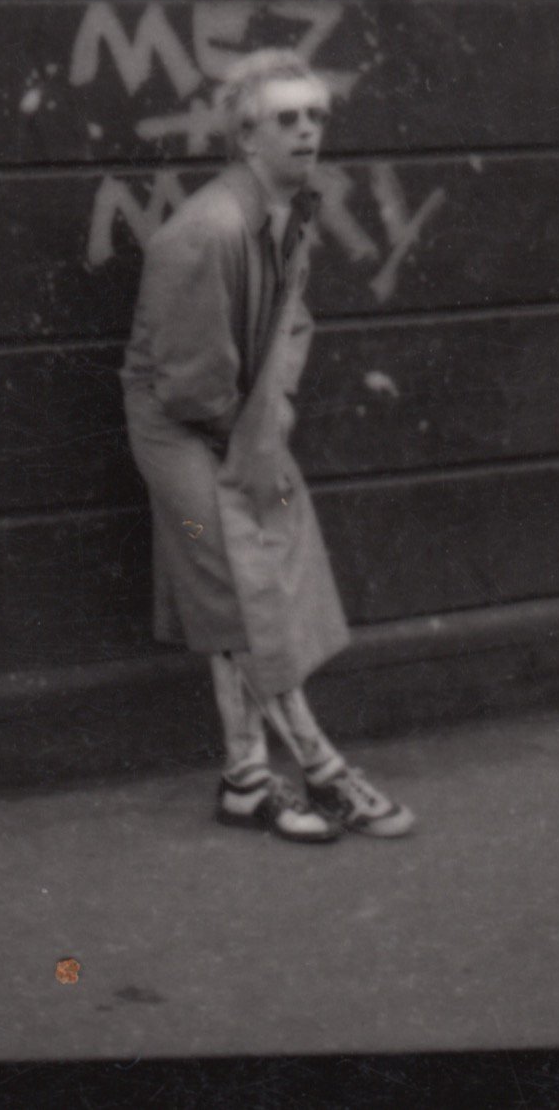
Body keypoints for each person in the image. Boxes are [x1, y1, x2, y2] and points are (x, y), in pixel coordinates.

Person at [122, 48, 414, 842]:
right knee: (234, 586)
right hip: (181, 437)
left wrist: (272, 415)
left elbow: (288, 329)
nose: (308, 131)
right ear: (248, 139)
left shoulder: (289, 211)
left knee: (273, 563)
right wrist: (247, 440)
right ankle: (324, 768)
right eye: (288, 119)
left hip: (236, 420)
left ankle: (248, 779)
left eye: (316, 116)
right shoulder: (208, 232)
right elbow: (186, 387)